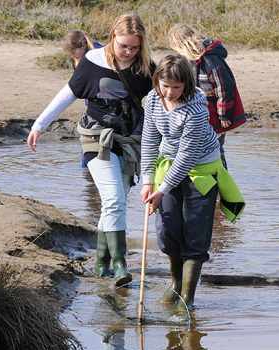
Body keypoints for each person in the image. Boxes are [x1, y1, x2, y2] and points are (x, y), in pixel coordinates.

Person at [27, 13, 155, 287]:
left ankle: (101, 262)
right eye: (124, 46)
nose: (129, 52)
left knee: (115, 202)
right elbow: (67, 94)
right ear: (112, 39)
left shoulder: (145, 67)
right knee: (113, 200)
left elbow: (164, 98)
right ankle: (120, 264)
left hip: (130, 141)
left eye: (135, 47)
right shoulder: (92, 63)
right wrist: (39, 125)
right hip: (96, 137)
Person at [140, 55, 244, 311]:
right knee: (167, 232)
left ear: (186, 84)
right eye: (165, 86)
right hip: (168, 165)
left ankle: (188, 296)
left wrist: (162, 189)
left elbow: (187, 157)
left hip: (202, 171)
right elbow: (150, 139)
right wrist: (147, 180)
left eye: (176, 87)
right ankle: (175, 284)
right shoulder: (153, 99)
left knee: (194, 236)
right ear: (157, 82)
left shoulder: (196, 109)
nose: (170, 92)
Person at [167, 23, 246, 169]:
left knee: (216, 149)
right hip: (202, 113)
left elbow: (224, 87)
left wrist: (224, 115)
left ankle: (222, 183)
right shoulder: (190, 61)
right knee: (199, 148)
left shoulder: (210, 59)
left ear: (182, 45)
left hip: (216, 116)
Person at [61, 30, 103, 168]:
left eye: (73, 52)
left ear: (84, 45)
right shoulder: (85, 55)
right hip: (92, 107)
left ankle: (89, 180)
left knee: (89, 156)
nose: (73, 56)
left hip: (102, 110)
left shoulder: (97, 55)